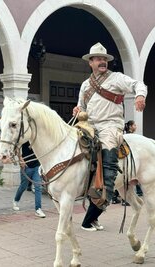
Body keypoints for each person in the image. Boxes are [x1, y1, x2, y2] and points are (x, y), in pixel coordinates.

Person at [73, 42, 147, 231]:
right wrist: (78, 109)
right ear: (90, 62)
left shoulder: (116, 78)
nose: (102, 61)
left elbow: (138, 84)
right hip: (90, 126)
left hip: (110, 127)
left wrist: (140, 96)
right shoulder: (85, 85)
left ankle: (101, 200)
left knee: (107, 161)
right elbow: (82, 106)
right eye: (98, 59)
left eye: (104, 59)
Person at [12, 141, 46, 218]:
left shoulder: (37, 138)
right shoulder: (25, 138)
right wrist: (21, 159)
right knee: (23, 186)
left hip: (36, 166)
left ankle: (38, 209)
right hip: (26, 166)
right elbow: (16, 148)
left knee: (38, 187)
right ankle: (16, 200)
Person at [124, 120, 143, 197]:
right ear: (130, 126)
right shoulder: (129, 136)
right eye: (134, 125)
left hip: (131, 158)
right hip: (129, 158)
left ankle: (138, 191)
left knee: (134, 175)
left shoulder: (130, 135)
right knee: (129, 177)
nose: (136, 126)